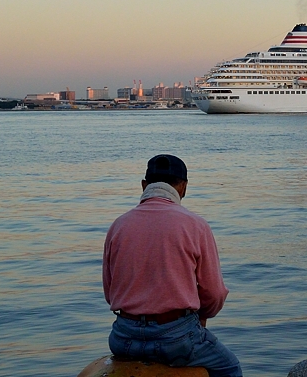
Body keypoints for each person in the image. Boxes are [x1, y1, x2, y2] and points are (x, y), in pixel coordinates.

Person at [103, 154, 242, 377]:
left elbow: (110, 294)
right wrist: (202, 317)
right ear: (184, 187)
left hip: (123, 338)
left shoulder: (118, 226)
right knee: (230, 368)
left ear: (144, 185)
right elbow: (214, 294)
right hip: (175, 338)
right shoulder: (196, 225)